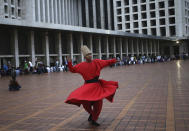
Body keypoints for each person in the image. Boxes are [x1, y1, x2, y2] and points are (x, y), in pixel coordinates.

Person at [65, 45, 118, 126]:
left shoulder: (97, 62)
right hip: (87, 87)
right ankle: (92, 114)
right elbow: (72, 70)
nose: (90, 55)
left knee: (98, 103)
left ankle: (94, 118)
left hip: (97, 86)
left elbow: (107, 62)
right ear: (85, 57)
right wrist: (69, 62)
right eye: (88, 55)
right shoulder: (81, 65)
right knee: (86, 103)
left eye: (90, 54)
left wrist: (114, 60)